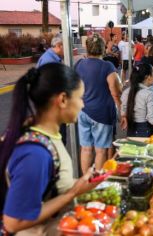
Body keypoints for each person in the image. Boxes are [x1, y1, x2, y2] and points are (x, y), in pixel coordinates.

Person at [0, 63, 99, 235]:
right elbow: (13, 222)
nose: (82, 105)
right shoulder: (35, 154)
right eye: (80, 97)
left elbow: (50, 186)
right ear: (62, 100)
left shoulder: (44, 135)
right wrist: (73, 193)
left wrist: (82, 185)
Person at [75, 34, 122, 174]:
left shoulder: (79, 64)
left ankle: (85, 180)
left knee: (85, 148)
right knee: (100, 150)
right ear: (102, 49)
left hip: (82, 111)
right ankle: (97, 183)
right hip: (102, 113)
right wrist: (121, 110)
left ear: (87, 48)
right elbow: (116, 90)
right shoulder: (107, 66)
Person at [36, 34, 67, 145]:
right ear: (59, 45)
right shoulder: (49, 61)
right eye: (66, 46)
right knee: (57, 143)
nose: (68, 50)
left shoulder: (51, 58)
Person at [120, 64, 153, 137]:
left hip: (131, 130)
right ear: (148, 77)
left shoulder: (126, 92)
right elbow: (152, 120)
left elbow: (123, 111)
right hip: (145, 131)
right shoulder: (149, 94)